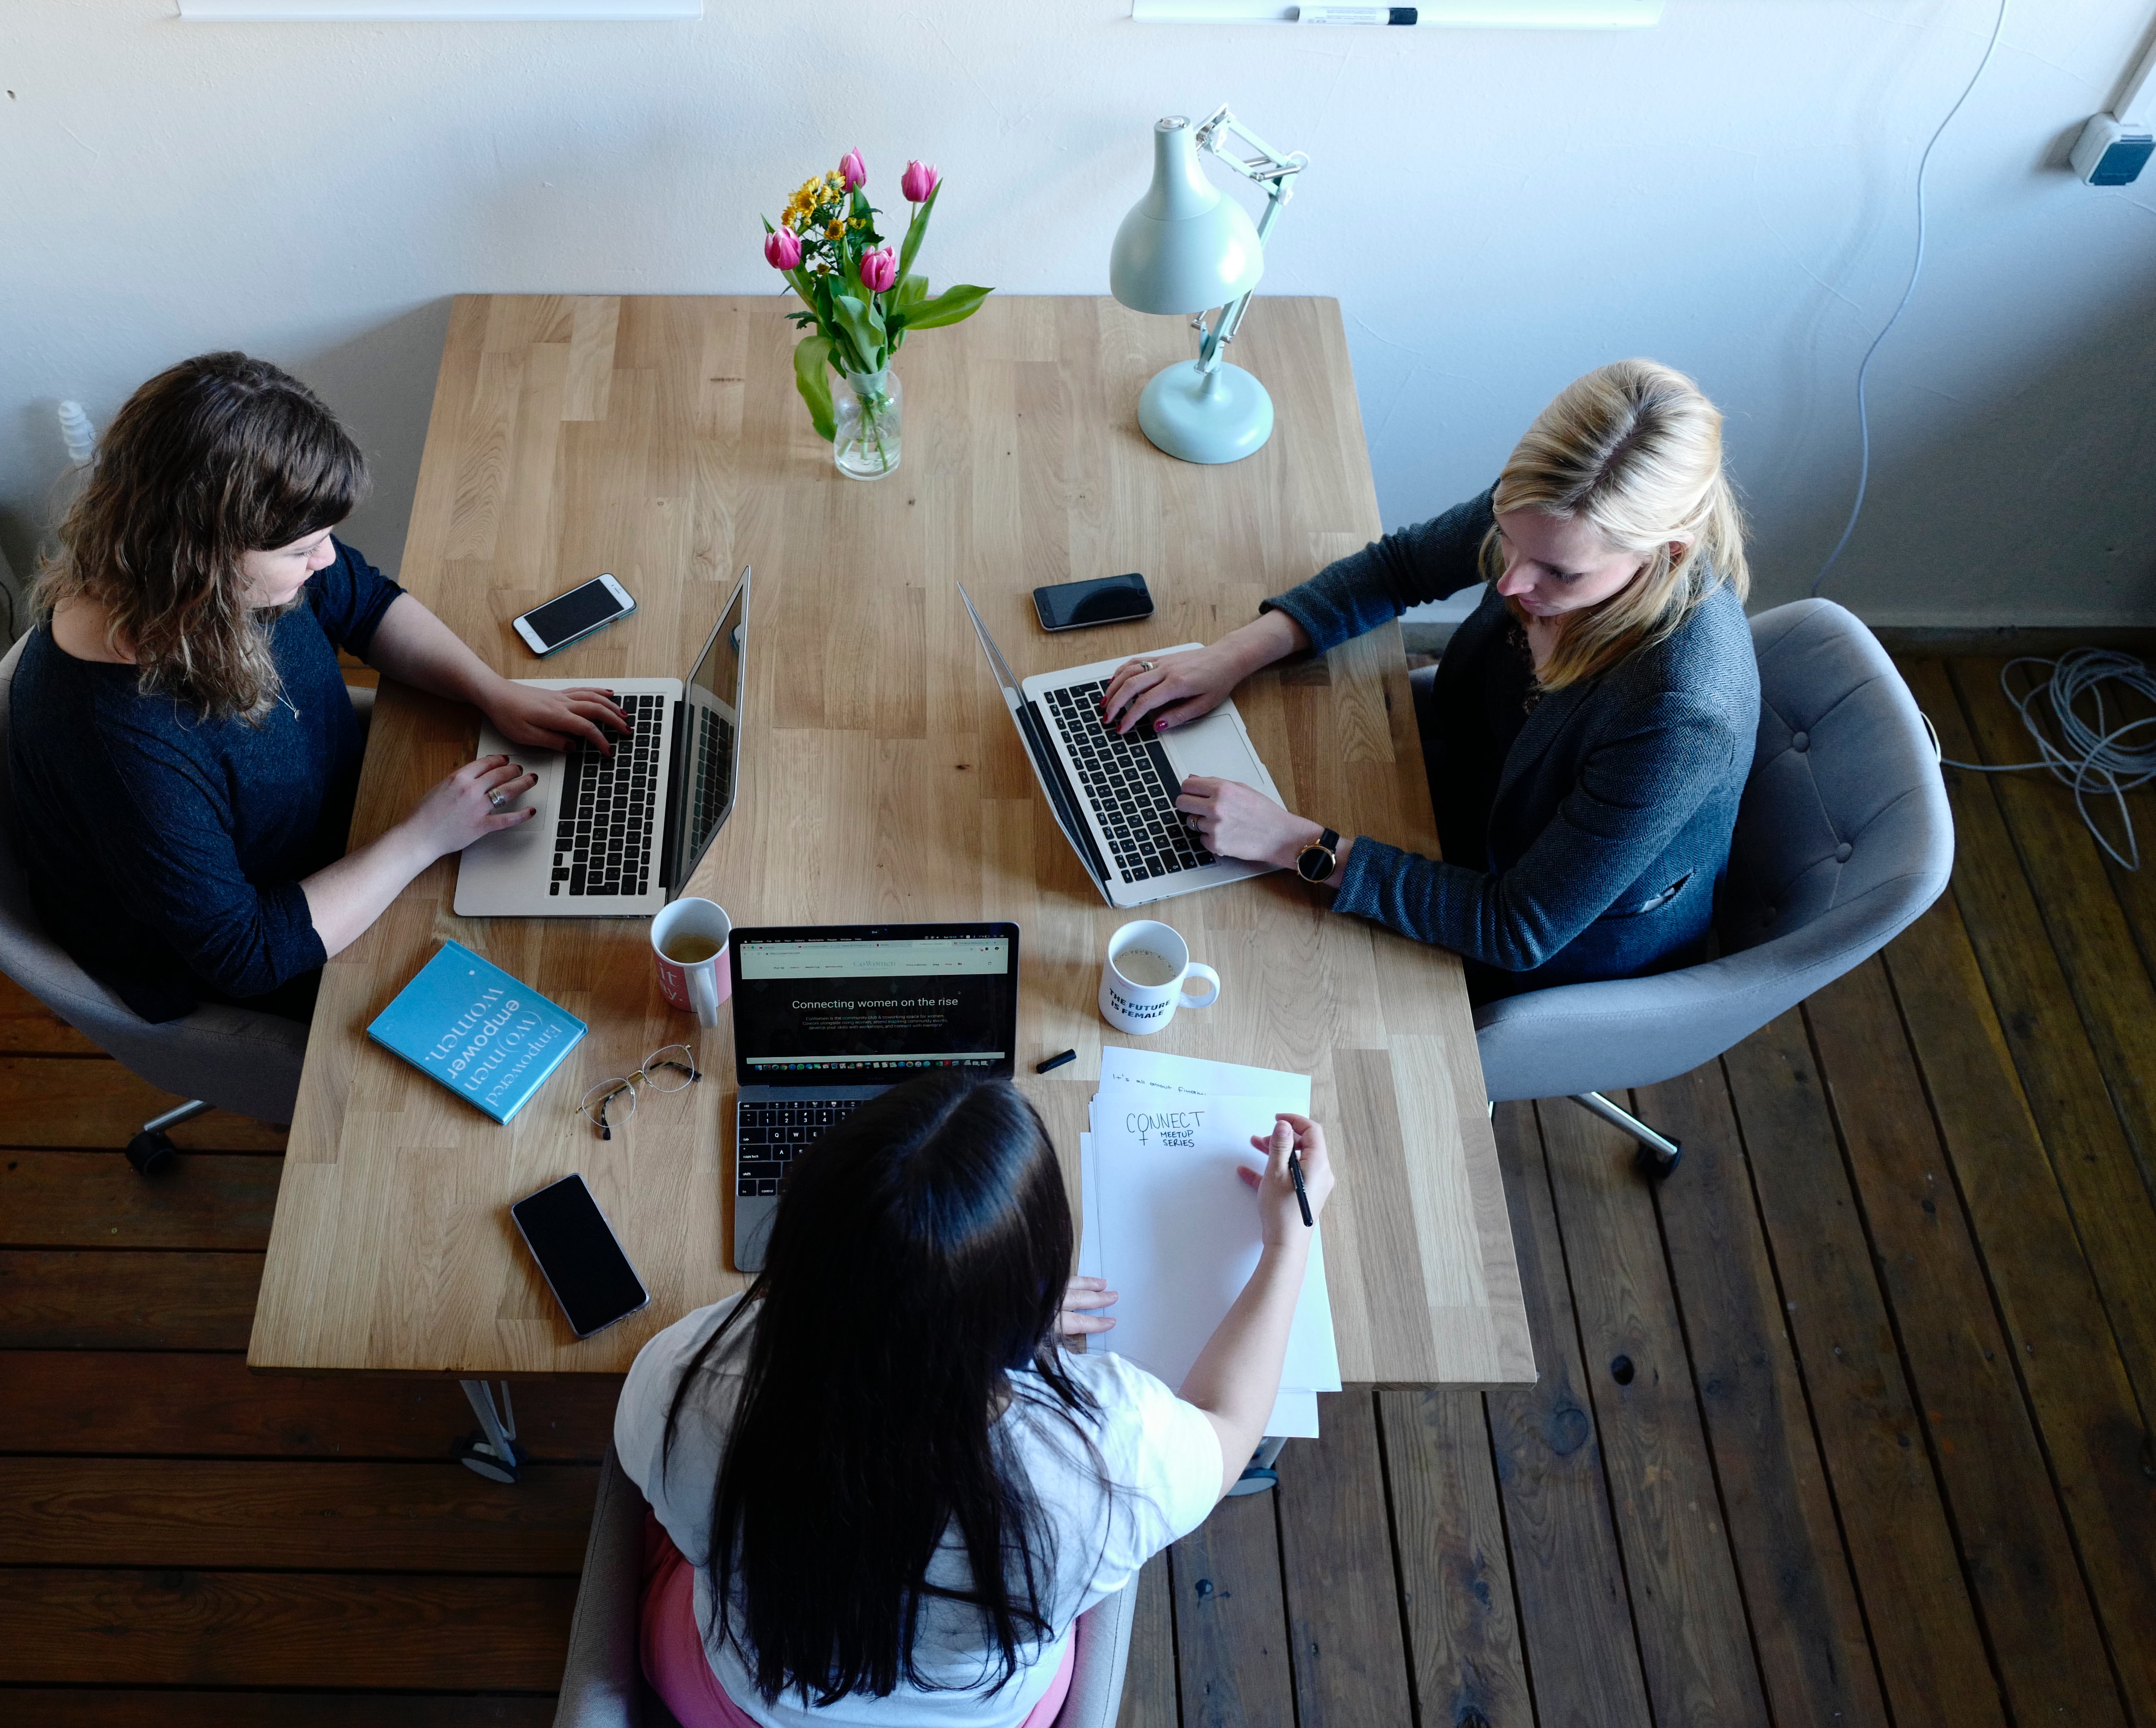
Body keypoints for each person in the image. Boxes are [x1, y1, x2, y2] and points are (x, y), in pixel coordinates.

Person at [615, 1072, 1332, 1728]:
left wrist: (946, 1308)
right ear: (1034, 1301)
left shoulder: (683, 1380)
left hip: (741, 1702)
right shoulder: (1109, 1458)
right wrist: (1287, 1242)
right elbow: (1230, 1425)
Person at [1102, 358, 1759, 1001]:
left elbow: (1517, 927)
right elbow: (1401, 569)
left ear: (1667, 552)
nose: (1510, 583)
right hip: (1460, 793)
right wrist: (1232, 655)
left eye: (1559, 574)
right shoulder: (1551, 508)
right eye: (1507, 538)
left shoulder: (1680, 713)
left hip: (1543, 947)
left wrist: (1290, 841)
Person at [10, 352, 630, 1024]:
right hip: (281, 936)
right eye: (303, 550)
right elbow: (243, 954)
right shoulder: (119, 744)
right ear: (201, 557)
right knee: (567, 979)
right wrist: (423, 838)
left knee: (581, 894)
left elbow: (364, 604)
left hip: (357, 816)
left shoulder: (210, 584)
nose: (326, 560)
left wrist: (491, 691)